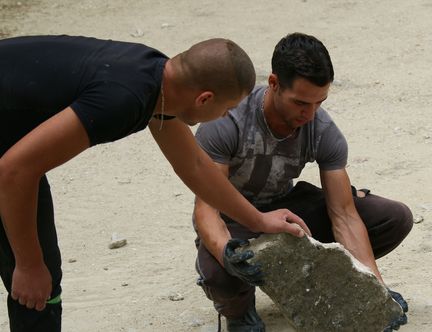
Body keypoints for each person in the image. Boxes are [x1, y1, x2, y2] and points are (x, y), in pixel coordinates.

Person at [0, 35, 308, 332]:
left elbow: (196, 166)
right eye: (227, 110)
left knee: (40, 278)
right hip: (11, 165)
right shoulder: (122, 98)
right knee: (36, 282)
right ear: (204, 98)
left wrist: (258, 220)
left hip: (11, 150)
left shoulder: (158, 80)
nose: (225, 117)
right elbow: (14, 171)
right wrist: (27, 265)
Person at [192, 32, 413, 332]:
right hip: (236, 219)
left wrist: (378, 294)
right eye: (300, 103)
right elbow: (206, 210)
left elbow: (344, 216)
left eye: (318, 103)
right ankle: (240, 314)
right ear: (273, 83)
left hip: (288, 212)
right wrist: (226, 254)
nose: (309, 114)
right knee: (219, 270)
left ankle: (334, 285)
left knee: (393, 218)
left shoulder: (321, 129)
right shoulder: (227, 122)